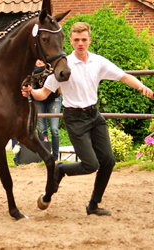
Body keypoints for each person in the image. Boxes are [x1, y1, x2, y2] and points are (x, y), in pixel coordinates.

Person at [22, 22, 153, 216]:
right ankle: (62, 170)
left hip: (94, 115)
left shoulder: (98, 62)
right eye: (76, 40)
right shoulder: (63, 65)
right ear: (71, 42)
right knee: (91, 164)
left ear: (89, 40)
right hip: (75, 118)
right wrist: (31, 92)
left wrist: (141, 86)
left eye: (84, 39)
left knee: (108, 161)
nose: (80, 43)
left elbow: (124, 76)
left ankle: (93, 205)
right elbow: (44, 93)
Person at [34, 59, 61, 160]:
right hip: (39, 99)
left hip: (54, 98)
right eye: (37, 60)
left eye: (42, 60)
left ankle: (55, 157)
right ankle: (45, 157)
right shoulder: (32, 71)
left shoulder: (51, 69)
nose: (40, 62)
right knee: (41, 129)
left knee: (54, 129)